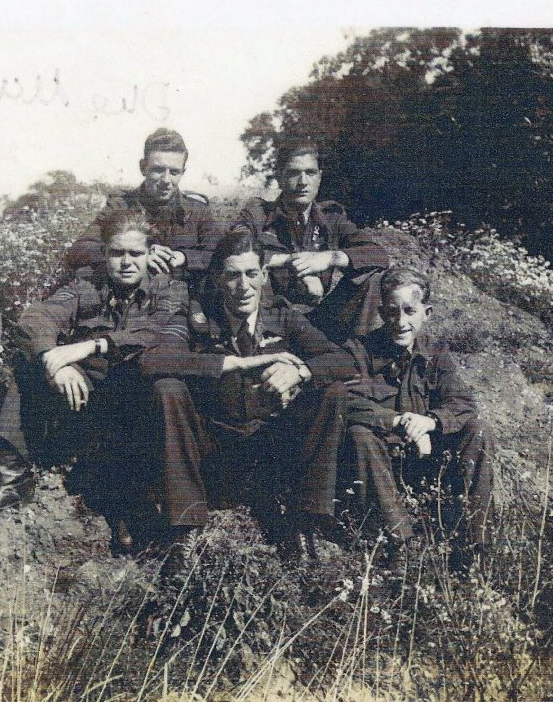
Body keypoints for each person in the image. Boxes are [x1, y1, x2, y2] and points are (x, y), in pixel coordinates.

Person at [0, 208, 189, 550]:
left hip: (135, 397)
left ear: (149, 256)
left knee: (152, 394)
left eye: (135, 253)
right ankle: (12, 481)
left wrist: (91, 345)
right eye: (117, 253)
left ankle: (130, 503)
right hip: (85, 396)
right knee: (28, 368)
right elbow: (36, 317)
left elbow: (155, 334)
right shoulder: (85, 287)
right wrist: (56, 364)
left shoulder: (169, 290)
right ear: (104, 255)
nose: (126, 262)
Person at [140, 231, 357, 566]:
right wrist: (234, 363)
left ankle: (303, 519)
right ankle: (184, 524)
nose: (243, 286)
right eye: (232, 275)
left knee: (333, 390)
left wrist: (301, 372)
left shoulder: (282, 315)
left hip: (270, 448)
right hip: (213, 448)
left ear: (264, 276)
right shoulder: (196, 318)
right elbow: (153, 360)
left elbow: (343, 361)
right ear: (216, 279)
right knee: (167, 388)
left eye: (251, 274)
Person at [340, 268, 494, 569]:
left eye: (410, 311)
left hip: (428, 464)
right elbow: (348, 401)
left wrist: (430, 422)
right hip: (382, 466)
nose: (401, 322)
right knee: (359, 433)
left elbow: (462, 403)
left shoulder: (437, 355)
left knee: (478, 430)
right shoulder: (359, 351)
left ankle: (472, 545)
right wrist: (401, 422)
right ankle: (401, 543)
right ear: (382, 312)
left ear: (427, 313)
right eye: (392, 312)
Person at [234, 136, 389, 341]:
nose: (303, 182)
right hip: (272, 319)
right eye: (293, 173)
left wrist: (329, 258)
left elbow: (377, 254)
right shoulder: (258, 214)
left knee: (372, 276)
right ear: (279, 177)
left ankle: (360, 356)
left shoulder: (332, 218)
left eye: (310, 173)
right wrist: (294, 264)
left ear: (319, 177)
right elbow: (234, 250)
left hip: (320, 316)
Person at [63, 128, 222, 289]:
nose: (166, 180)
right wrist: (138, 255)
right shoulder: (119, 207)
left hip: (184, 303)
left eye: (174, 172)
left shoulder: (197, 211)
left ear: (182, 173)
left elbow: (221, 254)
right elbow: (79, 250)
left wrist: (183, 257)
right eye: (158, 170)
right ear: (143, 167)